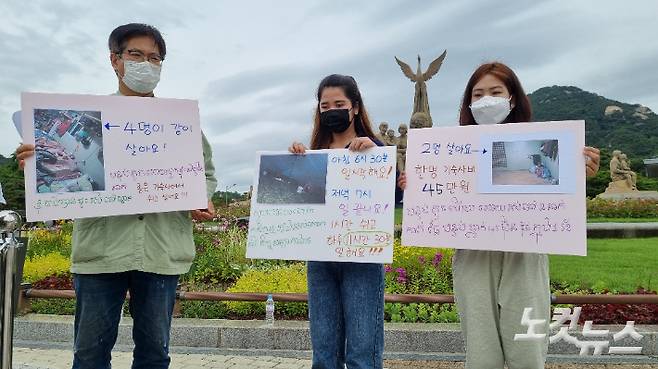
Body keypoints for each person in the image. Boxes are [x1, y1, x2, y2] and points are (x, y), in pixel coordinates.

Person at [15, 23, 217, 369]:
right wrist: (33, 168)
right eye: (135, 54)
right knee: (90, 354)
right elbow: (64, 182)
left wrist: (204, 197)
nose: (145, 64)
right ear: (115, 60)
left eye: (154, 58)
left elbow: (207, 175)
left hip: (161, 250)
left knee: (155, 354)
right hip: (101, 252)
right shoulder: (89, 114)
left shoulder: (181, 124)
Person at [399, 62, 600, 369]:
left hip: (525, 256)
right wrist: (414, 185)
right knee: (481, 355)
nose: (486, 101)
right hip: (473, 257)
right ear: (468, 102)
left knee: (527, 353)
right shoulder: (451, 150)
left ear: (513, 98)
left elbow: (559, 201)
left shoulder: (547, 139)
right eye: (477, 95)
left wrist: (581, 173)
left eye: (495, 92)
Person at [288, 74, 403, 369]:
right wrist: (294, 162)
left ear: (354, 107)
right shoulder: (313, 153)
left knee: (363, 351)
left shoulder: (374, 150)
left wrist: (379, 158)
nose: (332, 110)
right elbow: (299, 200)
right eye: (325, 106)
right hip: (320, 259)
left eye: (339, 103)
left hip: (362, 258)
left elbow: (393, 199)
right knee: (324, 351)